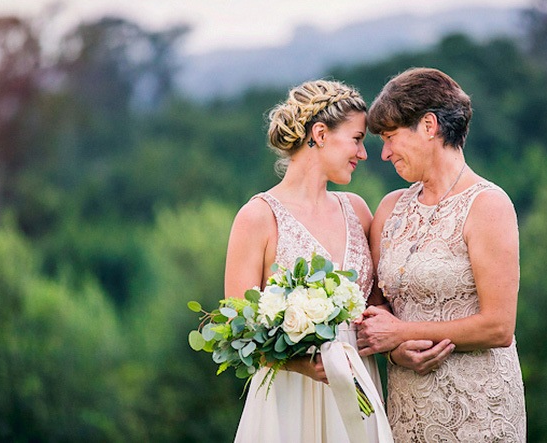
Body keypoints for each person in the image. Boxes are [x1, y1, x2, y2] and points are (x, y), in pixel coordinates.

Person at [356, 68, 527, 441]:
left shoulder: (487, 205)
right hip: (408, 407)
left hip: (479, 409)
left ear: (429, 126)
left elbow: (499, 327)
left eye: (390, 137)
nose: (384, 153)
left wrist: (403, 333)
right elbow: (375, 313)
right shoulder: (389, 209)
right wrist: (395, 352)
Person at [226, 79, 390, 442]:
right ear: (320, 133)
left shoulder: (358, 211)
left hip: (358, 384)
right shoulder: (257, 217)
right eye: (357, 138)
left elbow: (380, 308)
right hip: (290, 396)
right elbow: (239, 330)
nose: (363, 154)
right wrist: (305, 365)